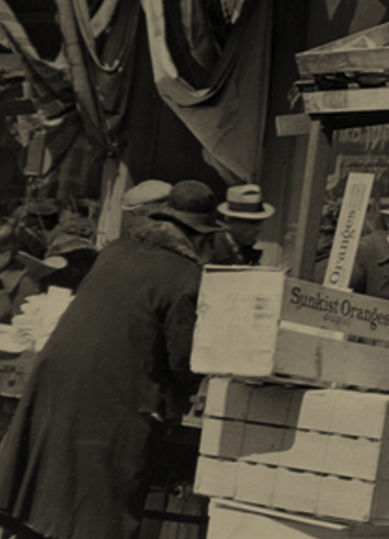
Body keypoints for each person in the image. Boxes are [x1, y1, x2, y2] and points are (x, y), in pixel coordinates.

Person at [0, 180, 224, 539]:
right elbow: (182, 361)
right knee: (102, 502)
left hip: (59, 378)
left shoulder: (116, 249)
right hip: (116, 395)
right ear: (199, 236)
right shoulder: (187, 276)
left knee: (45, 484)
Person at [213, 184, 275, 266]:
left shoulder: (252, 254)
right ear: (230, 221)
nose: (259, 229)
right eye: (252, 222)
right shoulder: (210, 250)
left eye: (259, 222)